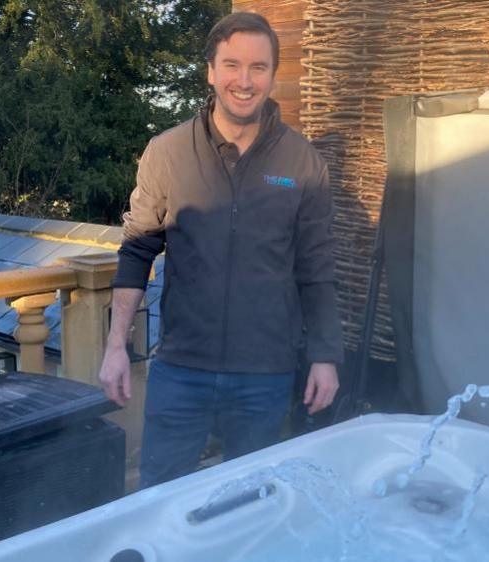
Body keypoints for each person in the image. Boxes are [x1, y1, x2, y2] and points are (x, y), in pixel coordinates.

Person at [98, 12, 344, 489]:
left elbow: (317, 266)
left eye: (258, 67)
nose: (244, 81)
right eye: (232, 65)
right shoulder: (168, 153)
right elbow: (136, 252)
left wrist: (326, 356)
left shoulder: (303, 162)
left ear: (273, 75)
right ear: (210, 70)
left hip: (266, 374)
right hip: (181, 370)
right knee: (159, 502)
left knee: (251, 505)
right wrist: (115, 348)